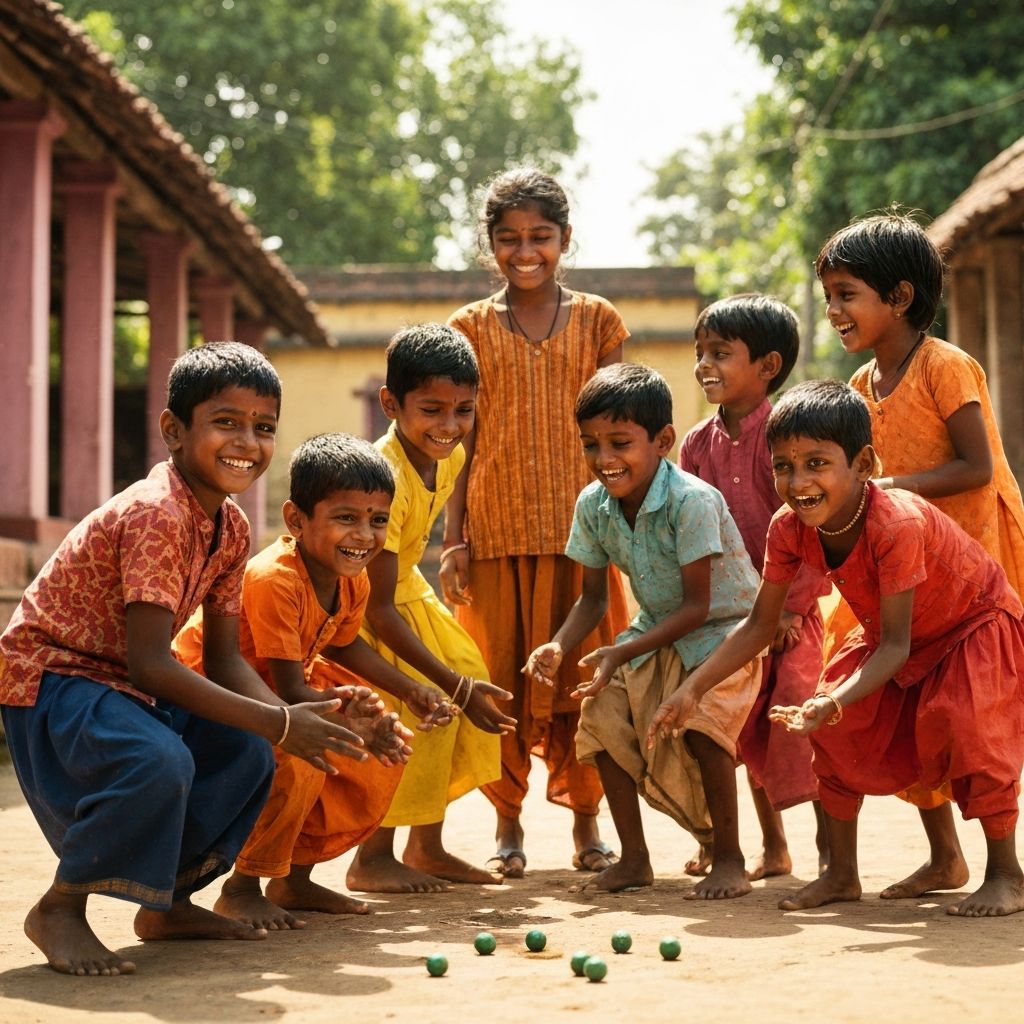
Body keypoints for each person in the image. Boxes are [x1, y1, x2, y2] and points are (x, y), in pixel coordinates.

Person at [0, 342, 365, 977]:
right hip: (55, 675)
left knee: (247, 750)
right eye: (226, 422)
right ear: (174, 429)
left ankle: (168, 903)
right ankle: (60, 907)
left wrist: (284, 720)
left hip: (121, 685)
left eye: (264, 427)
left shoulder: (230, 525)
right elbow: (150, 664)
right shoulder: (156, 512)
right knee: (159, 759)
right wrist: (281, 720)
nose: (247, 442)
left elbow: (223, 660)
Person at [649, 380, 1024, 918]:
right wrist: (691, 689)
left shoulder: (896, 523)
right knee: (838, 728)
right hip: (896, 638)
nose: (798, 483)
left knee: (969, 729)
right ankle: (842, 874)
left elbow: (894, 647)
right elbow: (759, 625)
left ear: (864, 463)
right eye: (783, 466)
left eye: (817, 463)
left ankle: (1008, 873)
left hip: (972, 626)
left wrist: (832, 700)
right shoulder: (789, 527)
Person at [817, 209, 1024, 900]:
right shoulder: (857, 392)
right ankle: (944, 858)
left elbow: (976, 466)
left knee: (971, 720)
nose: (834, 311)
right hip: (900, 580)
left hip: (970, 580)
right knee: (905, 711)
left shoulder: (945, 366)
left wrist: (890, 487)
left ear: (899, 298)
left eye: (847, 295)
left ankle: (1004, 869)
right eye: (830, 298)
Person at [173, 431, 458, 928]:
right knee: (305, 756)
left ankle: (293, 879)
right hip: (220, 691)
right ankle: (242, 887)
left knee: (374, 753)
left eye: (377, 521)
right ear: (296, 520)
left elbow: (344, 644)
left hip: (288, 685)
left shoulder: (351, 574)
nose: (364, 536)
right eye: (346, 518)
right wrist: (346, 718)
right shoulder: (275, 578)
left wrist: (408, 689)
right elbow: (285, 691)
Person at [443, 168, 631, 878]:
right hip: (495, 536)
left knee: (587, 684)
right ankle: (508, 824)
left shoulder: (599, 321)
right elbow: (461, 442)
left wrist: (629, 529)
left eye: (540, 238)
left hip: (587, 539)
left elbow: (623, 428)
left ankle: (589, 826)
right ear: (490, 244)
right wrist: (455, 538)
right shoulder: (468, 328)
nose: (526, 253)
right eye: (510, 239)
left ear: (565, 240)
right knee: (502, 683)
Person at [524, 363, 762, 898]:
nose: (604, 459)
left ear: (663, 440)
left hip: (726, 632)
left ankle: (730, 858)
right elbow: (592, 597)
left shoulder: (691, 500)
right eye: (591, 444)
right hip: (658, 628)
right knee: (601, 716)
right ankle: (634, 859)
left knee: (702, 726)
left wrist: (623, 649)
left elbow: (700, 607)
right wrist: (558, 645)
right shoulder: (593, 505)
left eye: (620, 443)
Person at [347, 324, 517, 893]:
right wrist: (451, 687)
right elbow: (373, 607)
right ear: (391, 405)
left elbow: (443, 500)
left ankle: (426, 846)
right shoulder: (384, 476)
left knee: (461, 681)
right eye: (432, 410)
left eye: (463, 410)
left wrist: (452, 547)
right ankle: (372, 856)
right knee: (407, 709)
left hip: (405, 593)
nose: (449, 427)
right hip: (365, 605)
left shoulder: (448, 454)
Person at [678, 294, 829, 881]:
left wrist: (791, 606)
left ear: (767, 366)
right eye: (700, 353)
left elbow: (815, 522)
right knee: (735, 727)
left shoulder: (786, 437)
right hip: (731, 620)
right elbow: (693, 529)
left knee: (793, 726)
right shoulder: (695, 445)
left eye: (720, 353)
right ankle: (771, 845)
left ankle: (828, 849)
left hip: (790, 618)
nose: (704, 364)